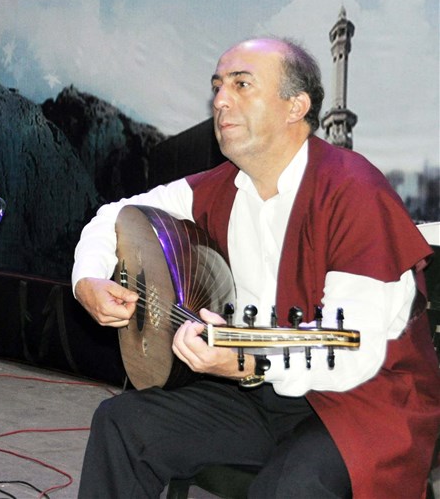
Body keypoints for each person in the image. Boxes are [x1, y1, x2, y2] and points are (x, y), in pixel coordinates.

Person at [72, 37, 440, 498]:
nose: (220, 100)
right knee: (123, 424)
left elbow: (349, 348)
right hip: (256, 394)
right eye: (218, 86)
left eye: (242, 85)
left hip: (361, 399)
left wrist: (245, 360)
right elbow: (115, 216)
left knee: (288, 486)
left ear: (295, 107)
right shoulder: (218, 187)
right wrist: (87, 279)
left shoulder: (353, 190)